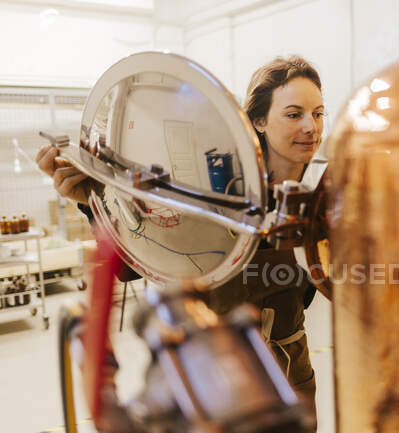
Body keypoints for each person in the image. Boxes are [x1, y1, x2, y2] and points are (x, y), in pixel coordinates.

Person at [36, 55, 325, 427]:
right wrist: (94, 206)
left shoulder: (324, 191)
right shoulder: (215, 190)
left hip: (290, 368)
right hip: (212, 368)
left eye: (318, 114)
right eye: (294, 113)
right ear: (258, 122)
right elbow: (130, 267)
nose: (310, 127)